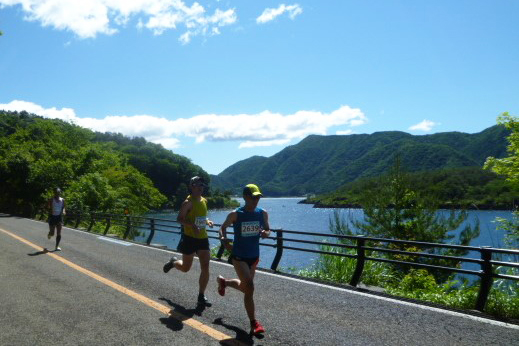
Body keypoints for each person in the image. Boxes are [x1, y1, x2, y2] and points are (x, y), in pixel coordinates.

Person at [217, 183, 271, 336]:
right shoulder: (236, 214)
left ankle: (224, 282)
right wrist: (223, 238)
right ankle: (254, 323)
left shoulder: (262, 213)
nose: (256, 200)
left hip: (254, 257)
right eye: (253, 197)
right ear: (245, 197)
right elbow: (222, 227)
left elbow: (268, 229)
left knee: (246, 288)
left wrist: (267, 233)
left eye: (258, 197)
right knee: (250, 287)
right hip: (239, 255)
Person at [163, 176, 215, 306]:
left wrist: (207, 221)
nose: (200, 187)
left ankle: (201, 296)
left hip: (202, 238)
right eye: (197, 184)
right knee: (186, 268)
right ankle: (174, 262)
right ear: (191, 186)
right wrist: (192, 225)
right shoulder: (188, 202)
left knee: (206, 266)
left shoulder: (204, 201)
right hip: (189, 239)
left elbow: (201, 216)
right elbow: (180, 219)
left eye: (202, 185)